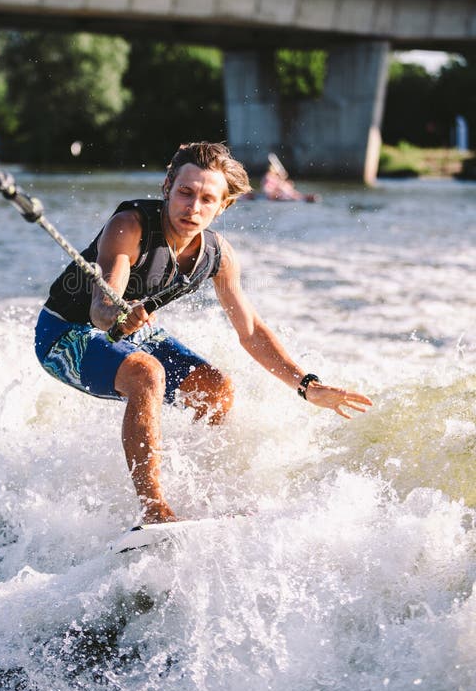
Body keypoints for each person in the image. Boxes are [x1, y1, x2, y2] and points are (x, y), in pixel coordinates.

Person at [35, 142, 371, 524]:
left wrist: (307, 385)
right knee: (148, 374)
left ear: (223, 205)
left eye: (207, 199)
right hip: (65, 335)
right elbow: (100, 305)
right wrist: (118, 315)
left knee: (215, 389)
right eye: (185, 192)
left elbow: (251, 331)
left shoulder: (218, 256)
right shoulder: (130, 225)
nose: (193, 208)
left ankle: (202, 492)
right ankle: (153, 509)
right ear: (167, 186)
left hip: (131, 332)